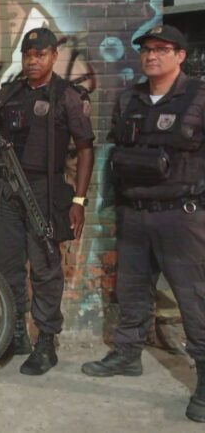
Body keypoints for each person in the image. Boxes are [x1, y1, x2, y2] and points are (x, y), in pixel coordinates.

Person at [0, 27, 95, 375]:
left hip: (45, 192)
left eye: (40, 55)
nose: (32, 61)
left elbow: (86, 150)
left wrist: (79, 200)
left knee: (44, 269)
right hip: (9, 191)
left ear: (54, 57)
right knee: (8, 266)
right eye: (28, 55)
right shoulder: (10, 93)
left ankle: (46, 343)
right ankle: (14, 335)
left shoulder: (67, 96)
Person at [81, 24, 205, 423]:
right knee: (131, 291)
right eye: (146, 49)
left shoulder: (199, 96)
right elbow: (119, 150)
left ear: (180, 55)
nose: (151, 55)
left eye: (161, 49)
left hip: (181, 217)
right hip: (134, 214)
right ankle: (126, 354)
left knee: (195, 301)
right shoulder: (128, 99)